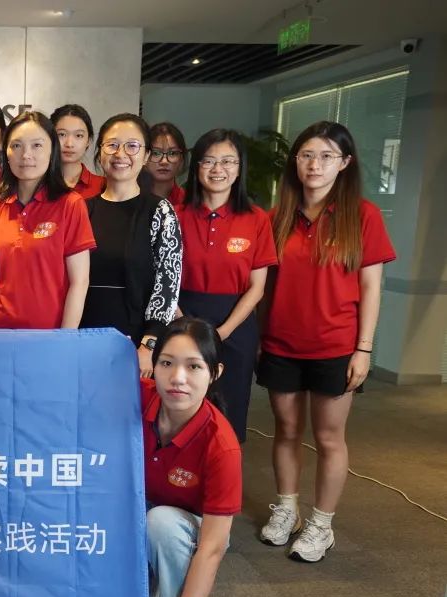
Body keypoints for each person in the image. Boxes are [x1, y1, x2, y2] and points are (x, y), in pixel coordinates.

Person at [257, 121, 396, 562]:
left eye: (326, 156)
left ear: (344, 163)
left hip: (336, 346)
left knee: (329, 437)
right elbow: (264, 284)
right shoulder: (278, 216)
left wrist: (364, 348)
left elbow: (371, 287)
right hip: (280, 343)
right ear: (295, 162)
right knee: (286, 431)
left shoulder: (363, 216)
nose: (315, 165)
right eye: (306, 155)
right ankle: (287, 509)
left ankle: (321, 524)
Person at [140, 316, 240, 597]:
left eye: (194, 366)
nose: (177, 378)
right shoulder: (137, 396)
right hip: (139, 509)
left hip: (187, 530)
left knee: (161, 524)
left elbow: (213, 547)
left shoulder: (221, 445)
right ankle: (147, 583)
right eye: (167, 363)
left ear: (215, 374)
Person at [176, 130, 277, 442]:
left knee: (230, 411)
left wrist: (222, 332)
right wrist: (182, 322)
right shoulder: (175, 214)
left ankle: (226, 470)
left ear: (239, 167)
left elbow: (257, 287)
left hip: (235, 324)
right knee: (182, 405)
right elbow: (162, 278)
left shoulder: (256, 219)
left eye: (228, 161)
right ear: (196, 167)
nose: (217, 169)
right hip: (182, 317)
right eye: (208, 161)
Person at [80, 113, 182, 378]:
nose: (121, 154)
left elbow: (168, 283)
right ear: (99, 151)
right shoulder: (82, 210)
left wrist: (148, 345)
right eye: (112, 145)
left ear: (146, 155)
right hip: (83, 336)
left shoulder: (160, 211)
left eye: (132, 146)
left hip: (136, 342)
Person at [0, 111, 94, 329]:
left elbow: (80, 282)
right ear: (6, 152)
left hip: (50, 335)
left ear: (52, 151)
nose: (26, 155)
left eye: (37, 145)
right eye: (16, 146)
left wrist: (65, 338)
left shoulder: (71, 204)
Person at [52, 104, 105, 200]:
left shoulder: (103, 186)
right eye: (62, 134)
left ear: (88, 141)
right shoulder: (38, 185)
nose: (69, 144)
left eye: (78, 135)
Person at [145, 122, 188, 207]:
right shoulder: (129, 198)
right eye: (156, 153)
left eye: (172, 153)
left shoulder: (188, 203)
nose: (164, 161)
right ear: (144, 157)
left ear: (181, 159)